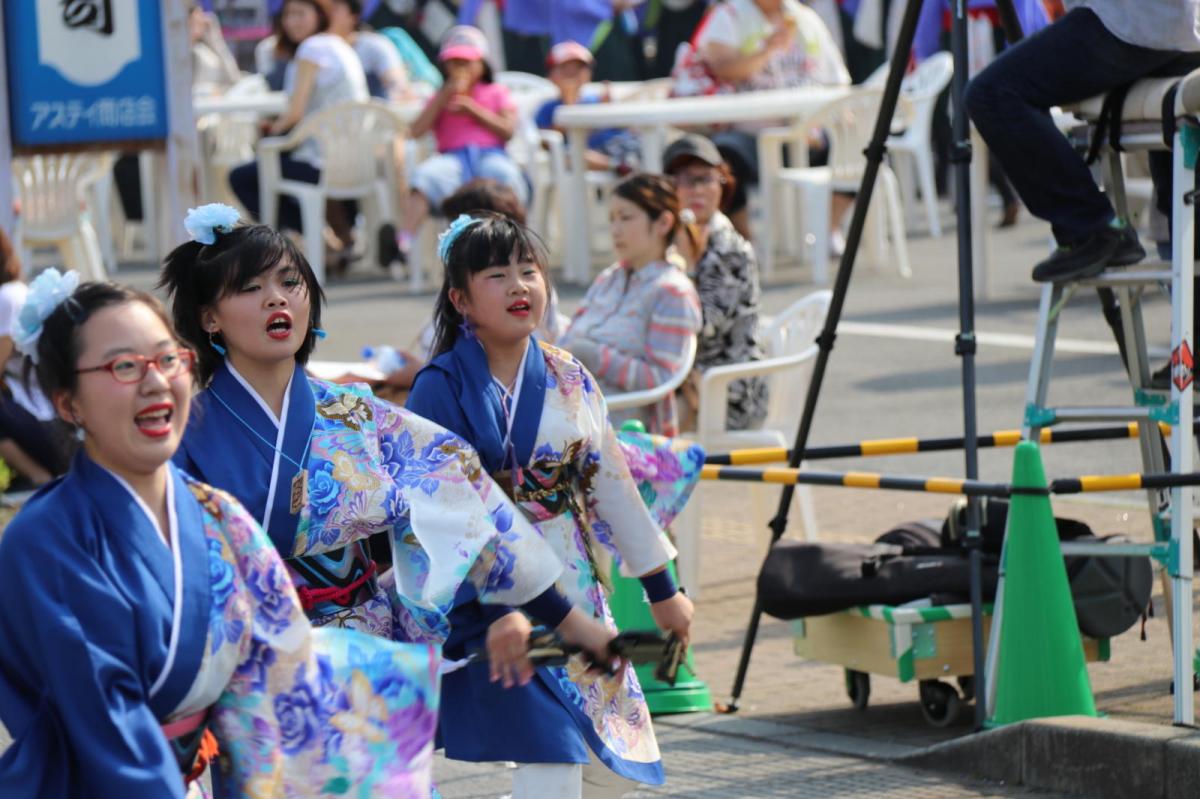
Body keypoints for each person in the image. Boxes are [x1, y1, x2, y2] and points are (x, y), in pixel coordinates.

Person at [0, 271, 442, 795]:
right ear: (68, 402)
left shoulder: (217, 515)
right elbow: (101, 722)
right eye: (123, 366)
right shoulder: (45, 542)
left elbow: (284, 665)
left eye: (168, 359)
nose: (155, 381)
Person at [158, 204, 614, 675]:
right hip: (252, 655)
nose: (277, 299)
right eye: (251, 289)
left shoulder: (357, 414)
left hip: (366, 655)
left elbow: (468, 504)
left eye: (289, 283)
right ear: (210, 318)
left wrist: (565, 619)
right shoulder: (184, 432)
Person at [407, 211, 700, 799]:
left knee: (610, 767)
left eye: (529, 270)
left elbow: (613, 488)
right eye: (497, 275)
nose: (520, 286)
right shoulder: (438, 387)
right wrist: (497, 611)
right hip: (487, 601)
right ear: (460, 299)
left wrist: (663, 591)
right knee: (551, 755)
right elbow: (442, 515)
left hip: (575, 587)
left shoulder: (570, 376)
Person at [964, 0, 1200, 282]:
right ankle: (1188, 307)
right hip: (1179, 29)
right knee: (1180, 198)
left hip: (1129, 23)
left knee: (992, 94)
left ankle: (1091, 227)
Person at [558, 173, 703, 437]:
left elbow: (662, 379)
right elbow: (569, 340)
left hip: (624, 431)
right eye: (612, 219)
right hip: (575, 414)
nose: (615, 230)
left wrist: (593, 356)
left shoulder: (672, 292)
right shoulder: (609, 278)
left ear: (663, 223)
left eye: (625, 218)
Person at [696, 0, 850, 237]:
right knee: (720, 160)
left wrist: (824, 118)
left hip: (810, 131)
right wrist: (766, 50)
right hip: (750, 134)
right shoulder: (729, 15)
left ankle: (824, 231)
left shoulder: (805, 18)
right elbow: (721, 67)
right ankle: (745, 240)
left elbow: (835, 79)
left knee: (860, 148)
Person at [229, 0, 368, 258]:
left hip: (321, 161)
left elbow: (294, 114)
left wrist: (271, 132)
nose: (292, 21)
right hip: (354, 159)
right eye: (287, 15)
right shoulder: (339, 44)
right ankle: (337, 243)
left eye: (300, 13)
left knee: (242, 176)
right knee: (274, 162)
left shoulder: (312, 48)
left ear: (320, 14)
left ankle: (318, 244)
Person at [391, 25, 527, 263]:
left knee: (505, 177)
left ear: (482, 64)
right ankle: (403, 242)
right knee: (424, 178)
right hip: (451, 158)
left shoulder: (496, 92)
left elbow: (507, 131)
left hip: (490, 154)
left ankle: (516, 240)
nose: (458, 69)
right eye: (453, 63)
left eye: (465, 62)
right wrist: (443, 97)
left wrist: (473, 110)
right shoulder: (441, 96)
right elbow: (415, 131)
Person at [663, 135, 769, 432]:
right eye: (684, 180)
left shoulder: (729, 248)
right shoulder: (669, 236)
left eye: (706, 179)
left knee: (649, 417)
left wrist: (688, 266)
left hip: (729, 387)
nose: (696, 190)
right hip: (684, 376)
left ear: (723, 184)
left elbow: (703, 325)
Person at [0, 230, 72, 486]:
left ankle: (39, 478)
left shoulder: (7, 297)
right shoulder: (15, 291)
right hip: (55, 423)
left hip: (52, 426)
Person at [535, 40, 641, 173]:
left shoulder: (596, 100)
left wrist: (610, 110)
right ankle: (618, 167)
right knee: (572, 155)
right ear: (551, 76)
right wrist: (569, 106)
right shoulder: (548, 108)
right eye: (565, 69)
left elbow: (624, 127)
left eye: (578, 68)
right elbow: (546, 142)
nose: (572, 74)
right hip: (588, 155)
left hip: (619, 145)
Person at [329, 0, 413, 100]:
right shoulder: (316, 52)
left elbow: (399, 89)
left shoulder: (374, 45)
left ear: (353, 16)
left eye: (334, 9)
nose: (327, 14)